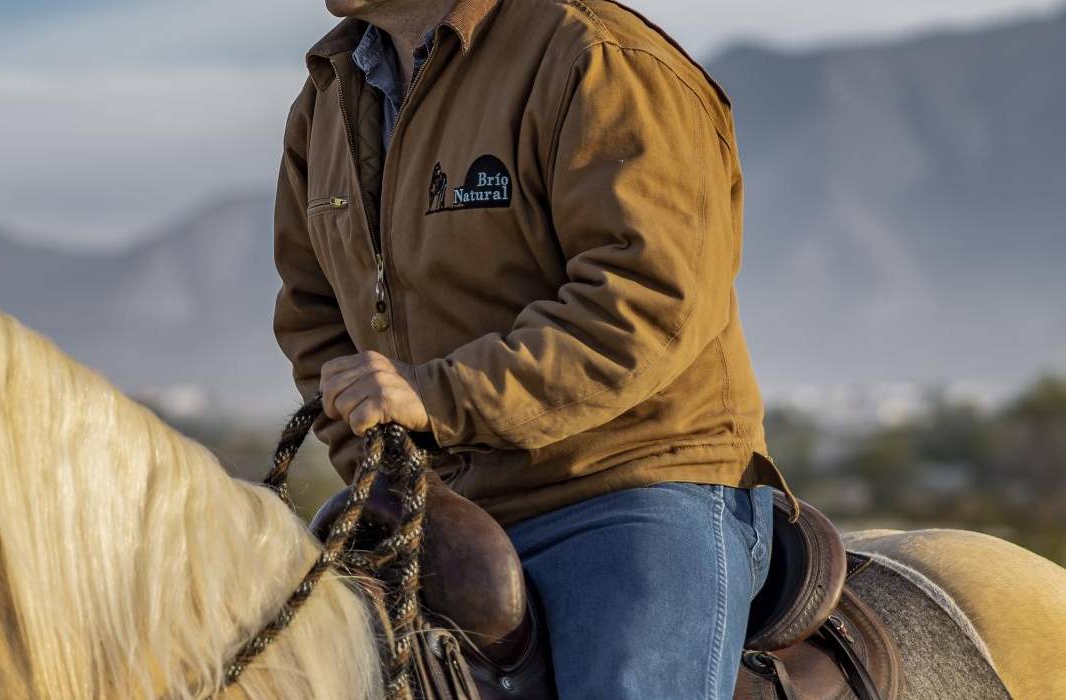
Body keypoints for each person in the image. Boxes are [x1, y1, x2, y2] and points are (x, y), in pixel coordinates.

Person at [272, 0, 791, 696]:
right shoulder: (327, 94)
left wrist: (435, 397)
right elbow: (312, 317)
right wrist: (385, 461)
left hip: (625, 487)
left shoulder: (600, 58)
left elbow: (648, 299)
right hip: (436, 508)